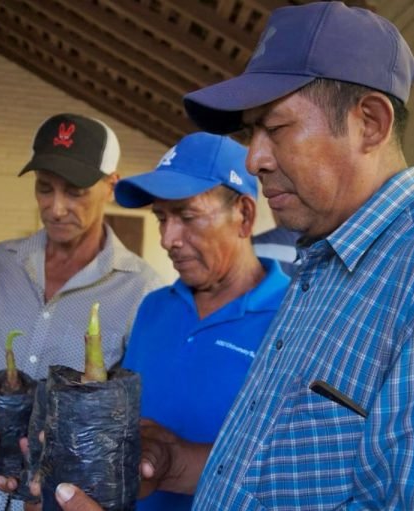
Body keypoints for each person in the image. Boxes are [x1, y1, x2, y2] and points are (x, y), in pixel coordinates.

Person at [56, 2, 414, 510]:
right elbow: (292, 476)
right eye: (251, 133)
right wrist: (180, 463)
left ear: (369, 123)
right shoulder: (319, 265)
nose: (254, 158)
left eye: (276, 128)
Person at [0, 113, 163, 511]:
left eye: (75, 191)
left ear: (110, 186)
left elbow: (132, 425)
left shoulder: (141, 290)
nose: (56, 208)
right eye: (45, 189)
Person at [112, 131, 290, 511]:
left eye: (187, 216)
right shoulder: (154, 308)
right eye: (161, 217)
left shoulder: (295, 319)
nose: (167, 238)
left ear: (244, 215)